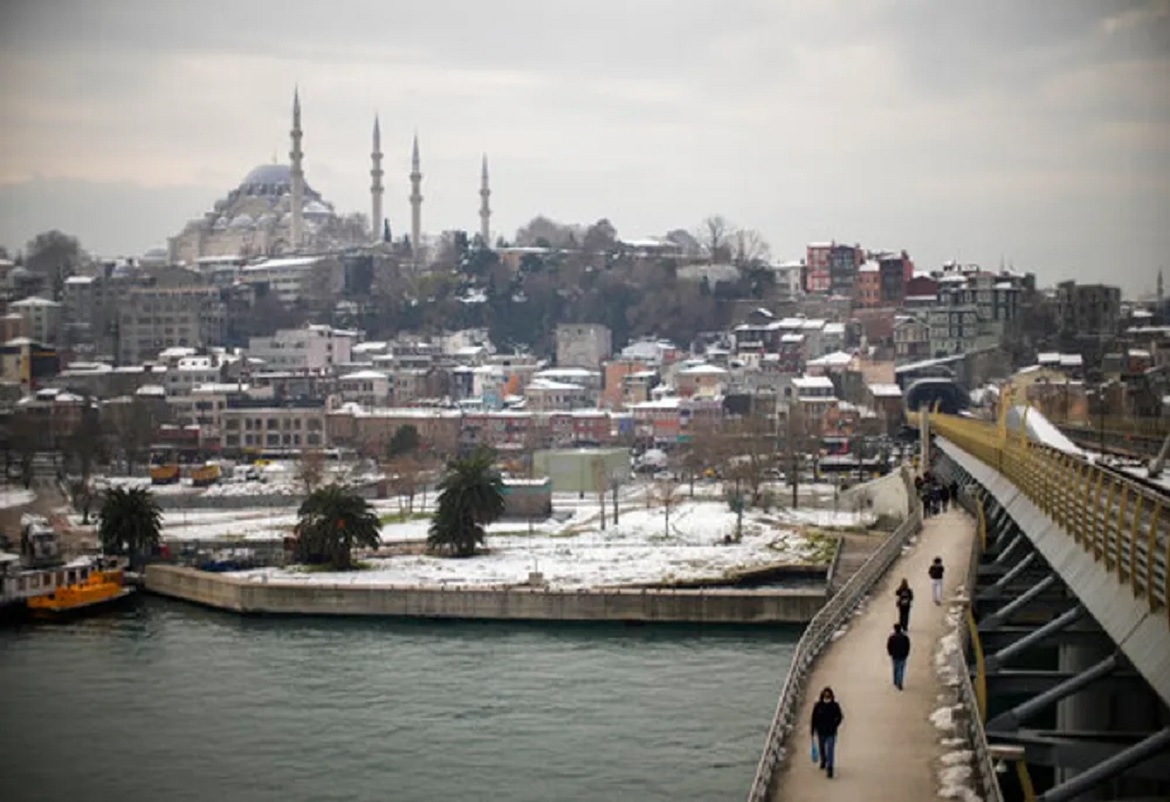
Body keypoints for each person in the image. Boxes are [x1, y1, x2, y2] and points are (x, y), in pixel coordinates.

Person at [810, 686, 844, 778]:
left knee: (830, 750)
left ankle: (830, 768)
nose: (827, 698)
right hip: (821, 732)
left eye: (828, 696)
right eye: (825, 696)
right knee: (822, 749)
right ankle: (824, 760)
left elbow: (840, 716)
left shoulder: (834, 706)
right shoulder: (818, 706)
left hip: (831, 732)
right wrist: (812, 731)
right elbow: (813, 719)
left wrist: (835, 725)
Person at [887, 623, 911, 689]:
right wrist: (906, 653)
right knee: (901, 669)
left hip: (895, 655)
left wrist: (890, 653)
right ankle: (899, 681)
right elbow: (908, 646)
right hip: (903, 655)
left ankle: (895, 681)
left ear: (894, 629)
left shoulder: (892, 637)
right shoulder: (905, 637)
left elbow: (889, 646)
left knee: (895, 668)